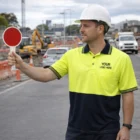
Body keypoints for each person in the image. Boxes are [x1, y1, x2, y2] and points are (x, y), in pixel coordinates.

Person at [8, 4, 138, 140]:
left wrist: (126, 126)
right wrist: (22, 66)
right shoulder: (71, 56)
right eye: (81, 25)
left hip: (108, 132)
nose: (81, 30)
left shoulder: (121, 59)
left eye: (86, 26)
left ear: (100, 29)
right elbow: (46, 75)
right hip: (76, 131)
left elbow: (127, 94)